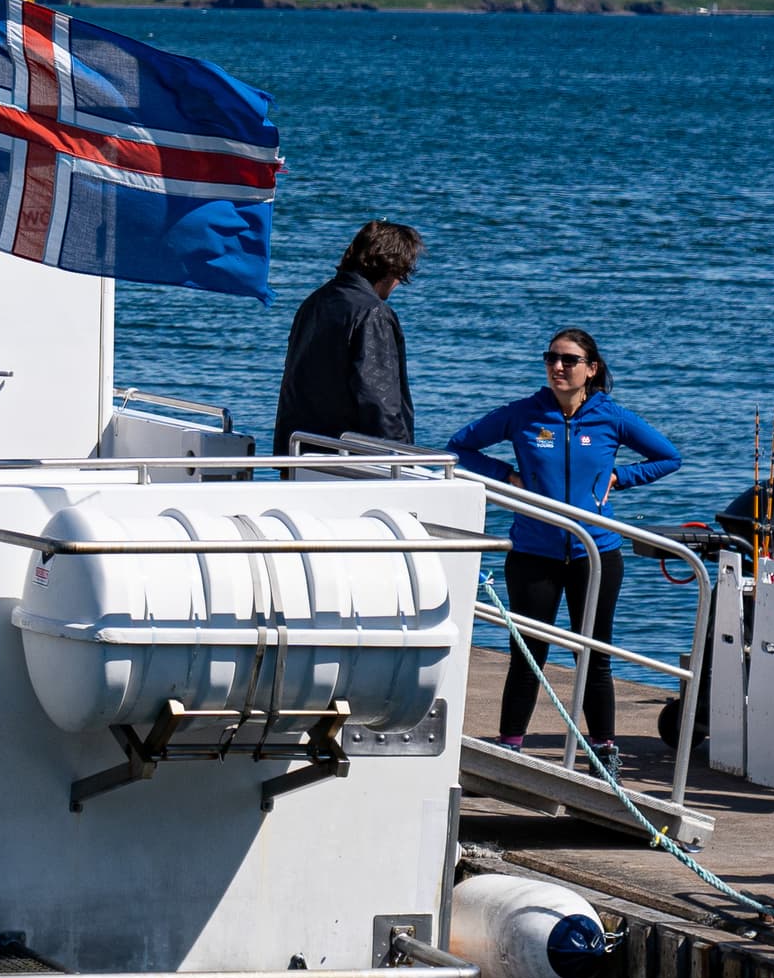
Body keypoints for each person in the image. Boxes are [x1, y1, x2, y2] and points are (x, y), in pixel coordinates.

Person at [448, 328, 682, 758]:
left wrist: (621, 477)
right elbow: (460, 447)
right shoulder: (524, 414)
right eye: (551, 358)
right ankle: (511, 747)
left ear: (590, 370)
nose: (558, 366)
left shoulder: (610, 417)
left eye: (569, 360)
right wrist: (506, 477)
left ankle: (604, 751)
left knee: (593, 655)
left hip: (596, 554)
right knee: (527, 654)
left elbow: (669, 457)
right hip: (534, 553)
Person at [275, 220, 422, 456]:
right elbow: (378, 397)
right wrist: (400, 458)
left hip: (303, 452)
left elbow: (292, 386)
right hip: (351, 459)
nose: (398, 283)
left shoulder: (314, 302)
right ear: (392, 268)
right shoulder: (372, 313)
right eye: (402, 273)